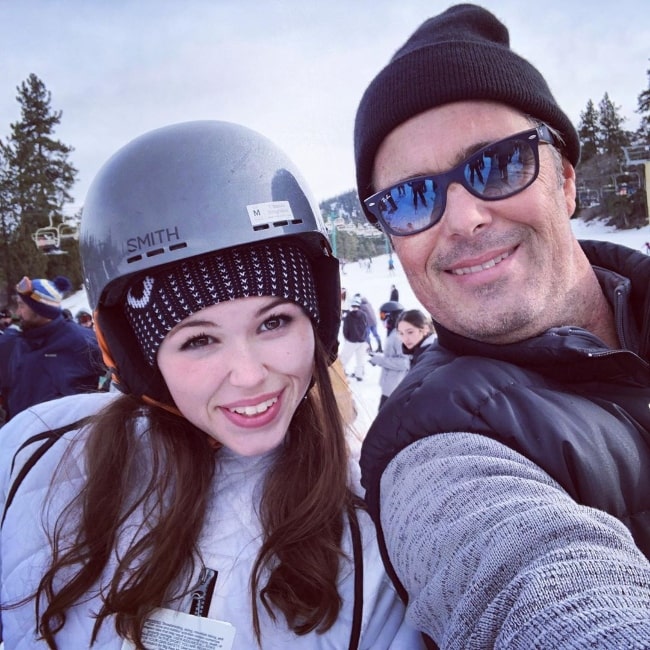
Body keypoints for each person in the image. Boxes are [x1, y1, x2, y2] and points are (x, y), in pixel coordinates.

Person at [0, 121, 423, 650]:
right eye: (198, 340)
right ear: (140, 359)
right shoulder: (32, 456)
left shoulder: (372, 529)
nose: (248, 375)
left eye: (273, 323)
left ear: (318, 323)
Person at [353, 4, 650, 647]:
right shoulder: (434, 450)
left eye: (497, 164)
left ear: (565, 181)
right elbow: (526, 585)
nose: (463, 220)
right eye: (410, 197)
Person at [0, 275, 105, 422]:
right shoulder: (10, 345)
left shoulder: (83, 341)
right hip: (19, 440)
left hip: (69, 440)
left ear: (40, 310)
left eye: (22, 305)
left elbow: (120, 376)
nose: (17, 313)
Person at [368, 301, 409, 410]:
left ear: (392, 317)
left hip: (394, 388)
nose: (381, 319)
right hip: (389, 387)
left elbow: (405, 363)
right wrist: (376, 357)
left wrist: (380, 360)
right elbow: (392, 356)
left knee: (383, 421)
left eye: (383, 316)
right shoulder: (394, 333)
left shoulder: (398, 336)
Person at [339, 297, 368, 381]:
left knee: (344, 358)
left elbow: (345, 328)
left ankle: (340, 373)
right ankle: (359, 375)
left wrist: (347, 337)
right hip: (362, 341)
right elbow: (366, 327)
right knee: (360, 359)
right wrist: (364, 337)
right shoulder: (363, 315)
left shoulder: (349, 315)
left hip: (351, 341)